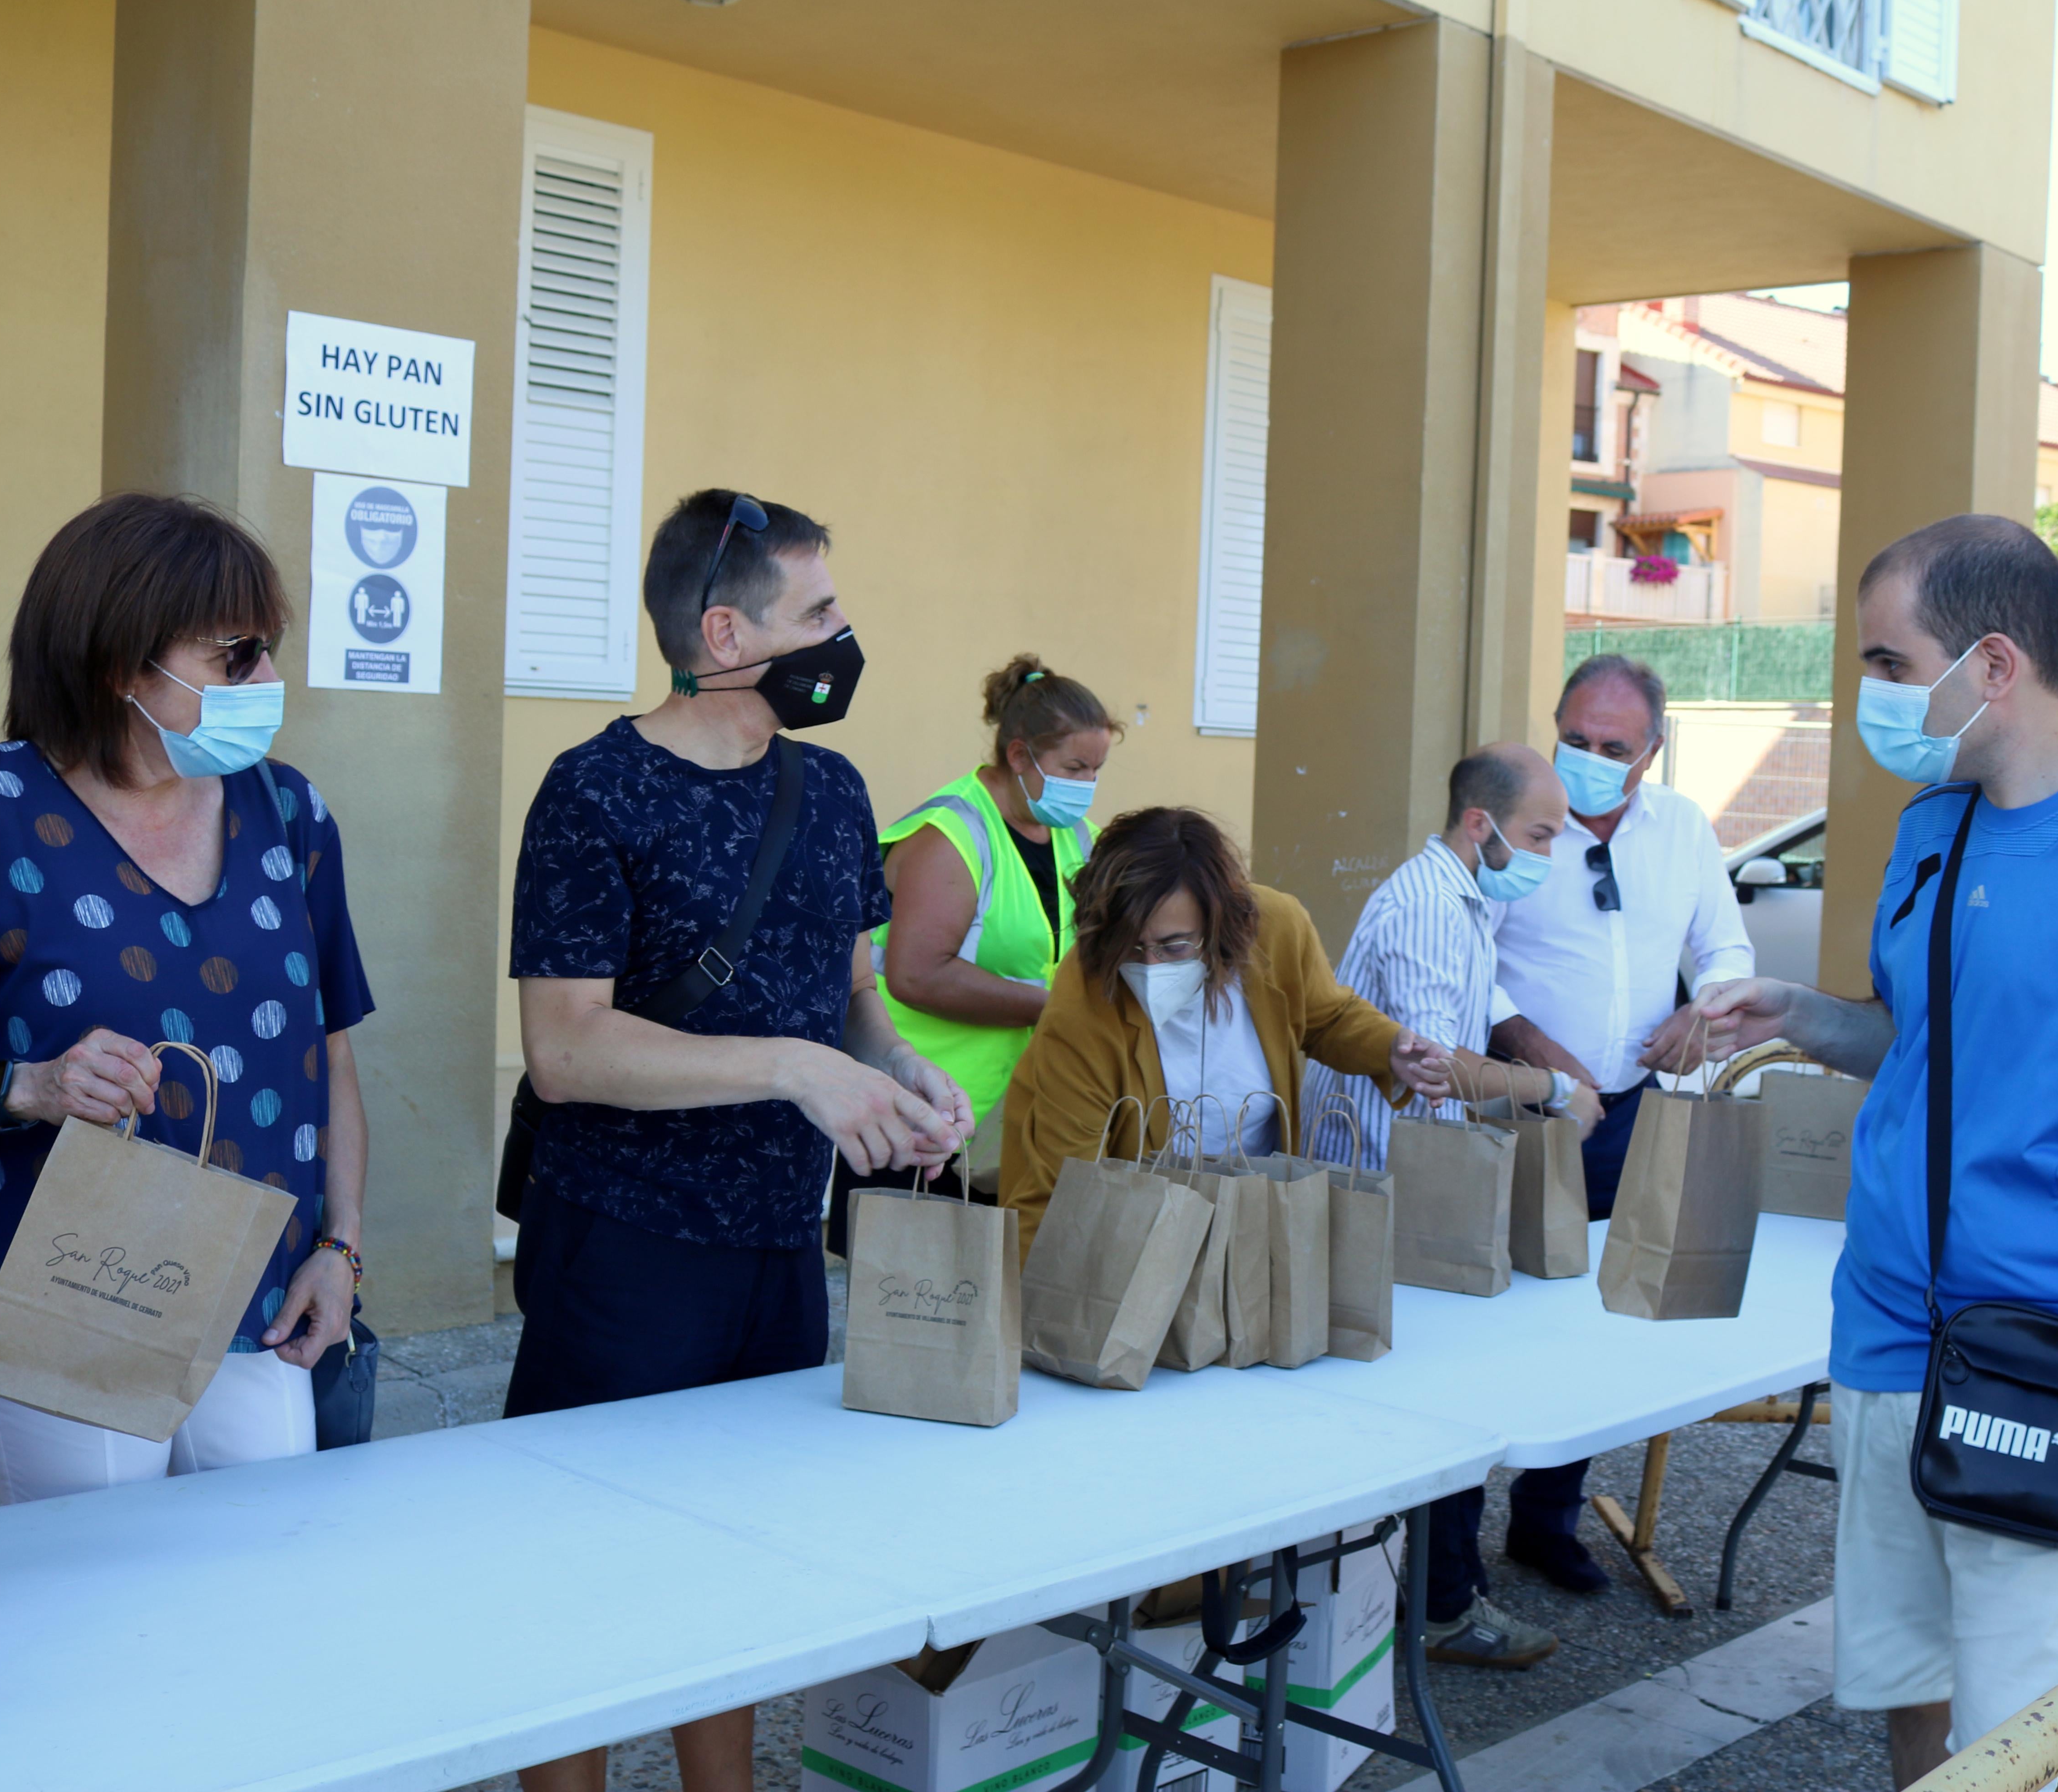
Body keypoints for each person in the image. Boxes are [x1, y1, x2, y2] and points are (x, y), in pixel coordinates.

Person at [1694, 514, 2058, 1792]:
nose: (1868, 696)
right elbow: (1923, 1043)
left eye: (1888, 663)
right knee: (1912, 1688)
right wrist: (1804, 1018)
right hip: (1890, 1336)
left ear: (1996, 664)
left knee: (2032, 1741)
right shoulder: (1933, 824)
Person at [505, 488, 968, 1792]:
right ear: (724, 631)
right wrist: (794, 1068)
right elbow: (567, 1048)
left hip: (778, 1248)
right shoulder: (593, 791)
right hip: (623, 1250)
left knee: (742, 1562)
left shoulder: (832, 791)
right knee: (588, 1569)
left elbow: (858, 995)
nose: (845, 633)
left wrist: (903, 1075)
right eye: (818, 611)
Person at [0, 493, 371, 1502]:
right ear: (119, 663)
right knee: (100, 1600)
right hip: (72, 1302)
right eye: (236, 654)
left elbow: (333, 1055)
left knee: (267, 1579)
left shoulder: (290, 812)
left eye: (269, 648)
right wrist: (29, 1086)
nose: (269, 680)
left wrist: (341, 1246)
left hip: (260, 1293)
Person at [1296, 743, 1602, 1671]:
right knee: (1443, 1397)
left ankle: (1437, 1586)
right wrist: (1553, 1087)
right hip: (1392, 1176)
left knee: (1444, 1387)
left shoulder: (1464, 897)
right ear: (1482, 825)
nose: (1551, 851)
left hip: (1412, 1175)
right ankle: (1439, 1602)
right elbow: (1434, 1067)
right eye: (1541, 834)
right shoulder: (1433, 904)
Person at [1481, 653, 1756, 1593]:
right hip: (1513, 1108)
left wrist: (1705, 1010)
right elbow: (1465, 952)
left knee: (1594, 1327)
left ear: (1652, 752)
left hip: (1625, 1116)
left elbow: (1724, 944)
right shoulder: (1515, 819)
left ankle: (1545, 1520)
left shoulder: (1680, 829)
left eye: (1614, 746)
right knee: (1484, 1320)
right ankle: (1440, 1555)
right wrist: (1527, 1042)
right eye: (1576, 739)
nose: (1592, 758)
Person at [999, 806, 1453, 1244]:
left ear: (1222, 926)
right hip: (1128, 1233)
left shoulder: (1277, 929)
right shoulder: (1087, 992)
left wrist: (1389, 1047)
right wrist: (1037, 1309)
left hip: (1252, 1214)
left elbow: (1325, 1016)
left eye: (1174, 946)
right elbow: (1062, 1190)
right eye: (1132, 947)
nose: (1150, 964)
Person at [839, 655, 1114, 1250]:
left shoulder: (1075, 835)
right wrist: (1054, 1008)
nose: (1087, 785)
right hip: (924, 1115)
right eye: (1074, 767)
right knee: (920, 1317)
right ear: (1019, 756)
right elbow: (916, 975)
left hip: (1013, 1121)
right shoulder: (949, 834)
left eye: (1097, 770)